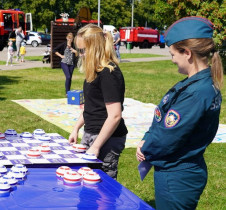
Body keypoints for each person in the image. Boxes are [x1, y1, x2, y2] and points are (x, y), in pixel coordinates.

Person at [136, 17, 223, 210]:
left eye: (173, 54)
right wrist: (147, 137)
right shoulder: (193, 84)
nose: (172, 59)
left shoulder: (197, 92)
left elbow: (169, 135)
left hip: (177, 175)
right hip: (180, 170)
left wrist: (145, 147)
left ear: (187, 53)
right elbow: (163, 119)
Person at [69, 24, 128, 180]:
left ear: (95, 48)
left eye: (83, 50)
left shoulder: (109, 73)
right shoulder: (94, 70)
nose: (80, 55)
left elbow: (115, 116)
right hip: (91, 132)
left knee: (102, 185)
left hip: (107, 138)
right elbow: (90, 107)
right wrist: (76, 128)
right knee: (86, 179)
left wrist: (96, 146)